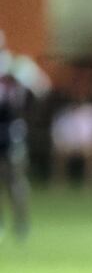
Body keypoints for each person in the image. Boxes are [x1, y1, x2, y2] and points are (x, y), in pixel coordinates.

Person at [0, 32, 50, 241]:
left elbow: (42, 88)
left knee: (15, 177)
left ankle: (21, 222)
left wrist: (28, 115)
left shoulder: (16, 66)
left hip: (11, 128)